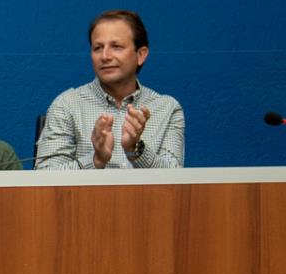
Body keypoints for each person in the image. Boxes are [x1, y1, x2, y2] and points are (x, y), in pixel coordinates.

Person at [36, 10, 185, 169]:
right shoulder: (67, 105)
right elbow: (46, 175)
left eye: (116, 47)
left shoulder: (167, 108)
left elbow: (174, 177)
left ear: (141, 55)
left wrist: (135, 150)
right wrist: (96, 160)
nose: (105, 56)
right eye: (98, 48)